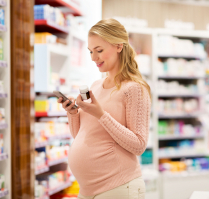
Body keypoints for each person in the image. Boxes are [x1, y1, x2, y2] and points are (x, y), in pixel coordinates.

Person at [57, 18, 151, 199]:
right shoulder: (96, 86)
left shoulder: (134, 89)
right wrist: (73, 113)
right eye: (91, 51)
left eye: (99, 50)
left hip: (119, 187)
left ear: (118, 46)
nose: (93, 58)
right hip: (87, 191)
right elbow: (82, 135)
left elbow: (139, 145)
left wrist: (101, 114)